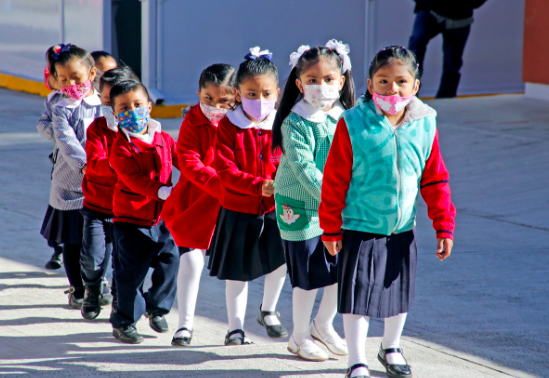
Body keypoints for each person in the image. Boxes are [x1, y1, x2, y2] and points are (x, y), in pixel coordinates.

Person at [319, 46, 456, 378]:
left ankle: (390, 347)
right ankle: (356, 360)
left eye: (401, 82)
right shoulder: (352, 123)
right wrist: (330, 228)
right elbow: (335, 179)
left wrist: (444, 226)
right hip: (360, 225)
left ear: (416, 86)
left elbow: (435, 177)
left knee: (399, 295)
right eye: (383, 81)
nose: (392, 90)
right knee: (357, 297)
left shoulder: (425, 123)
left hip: (401, 229)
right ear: (369, 83)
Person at [271, 40, 356, 361]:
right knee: (307, 275)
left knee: (339, 268)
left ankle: (324, 325)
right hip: (301, 207)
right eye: (312, 80)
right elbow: (304, 169)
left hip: (337, 204)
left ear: (342, 80)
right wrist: (336, 199)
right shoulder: (295, 123)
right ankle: (299, 335)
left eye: (329, 79)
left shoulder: (346, 118)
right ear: (298, 84)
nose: (321, 86)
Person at [208, 47, 288, 345]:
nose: (260, 100)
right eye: (251, 93)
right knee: (237, 272)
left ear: (277, 92)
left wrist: (281, 181)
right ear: (238, 93)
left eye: (266, 93)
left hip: (276, 208)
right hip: (239, 208)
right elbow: (224, 170)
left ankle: (268, 309)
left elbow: (290, 159)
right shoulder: (228, 126)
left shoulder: (283, 124)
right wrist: (257, 185)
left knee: (280, 261)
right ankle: (235, 327)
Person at [162, 63, 237, 347]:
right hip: (195, 201)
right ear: (199, 94)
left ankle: (236, 328)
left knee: (235, 267)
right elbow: (189, 161)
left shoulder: (243, 123)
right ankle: (185, 325)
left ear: (237, 97)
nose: (216, 106)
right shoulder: (192, 121)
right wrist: (222, 184)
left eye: (225, 101)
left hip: (233, 204)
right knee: (191, 261)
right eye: (209, 98)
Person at [108, 80, 180, 344]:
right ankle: (124, 322)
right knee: (131, 275)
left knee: (171, 261)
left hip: (162, 218)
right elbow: (132, 179)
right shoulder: (120, 147)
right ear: (115, 115)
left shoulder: (163, 138)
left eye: (138, 105)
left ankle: (156, 308)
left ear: (149, 107)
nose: (132, 111)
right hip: (131, 220)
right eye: (124, 108)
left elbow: (181, 159)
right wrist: (160, 191)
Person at [40, 43, 102, 309]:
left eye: (76, 77)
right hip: (69, 181)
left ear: (92, 73)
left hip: (101, 181)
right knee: (73, 240)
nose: (70, 84)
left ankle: (97, 283)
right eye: (63, 79)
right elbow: (65, 138)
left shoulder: (102, 102)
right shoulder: (57, 104)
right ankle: (77, 288)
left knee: (99, 239)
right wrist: (85, 165)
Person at [79, 66, 139, 320]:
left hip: (129, 210)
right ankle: (92, 288)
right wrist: (124, 161)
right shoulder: (97, 129)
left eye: (125, 103)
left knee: (125, 263)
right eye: (107, 102)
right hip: (97, 206)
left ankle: (120, 301)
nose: (115, 108)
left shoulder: (143, 131)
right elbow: (95, 165)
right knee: (93, 257)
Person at [408, 0, 488, 98]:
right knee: (416, 45)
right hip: (430, 11)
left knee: (452, 61)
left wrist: (465, 5)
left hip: (460, 18)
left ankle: (446, 98)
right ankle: (409, 94)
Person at [37, 47, 64, 271]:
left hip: (90, 167)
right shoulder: (54, 101)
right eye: (60, 76)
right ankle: (57, 248)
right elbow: (44, 126)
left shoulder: (95, 101)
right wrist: (60, 132)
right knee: (59, 207)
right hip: (63, 164)